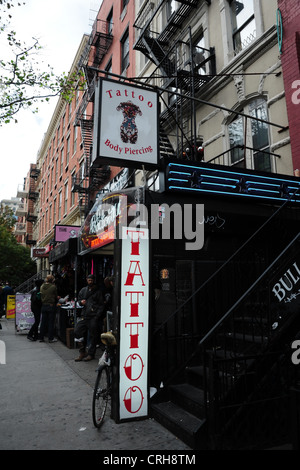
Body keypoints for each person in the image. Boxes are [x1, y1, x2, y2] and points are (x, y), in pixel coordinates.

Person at [74, 274, 104, 362]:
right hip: (85, 315)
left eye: (91, 280)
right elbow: (78, 301)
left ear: (93, 280)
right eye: (88, 280)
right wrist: (81, 302)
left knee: (93, 336)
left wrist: (97, 316)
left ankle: (91, 354)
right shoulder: (83, 290)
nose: (90, 281)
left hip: (93, 316)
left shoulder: (98, 291)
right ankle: (82, 351)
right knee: (77, 331)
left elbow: (101, 305)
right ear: (86, 280)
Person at [39, 274, 59, 343]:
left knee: (43, 322)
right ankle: (51, 338)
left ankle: (41, 337)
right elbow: (56, 296)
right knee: (51, 323)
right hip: (51, 306)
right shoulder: (53, 287)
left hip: (43, 305)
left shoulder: (41, 286)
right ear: (52, 280)